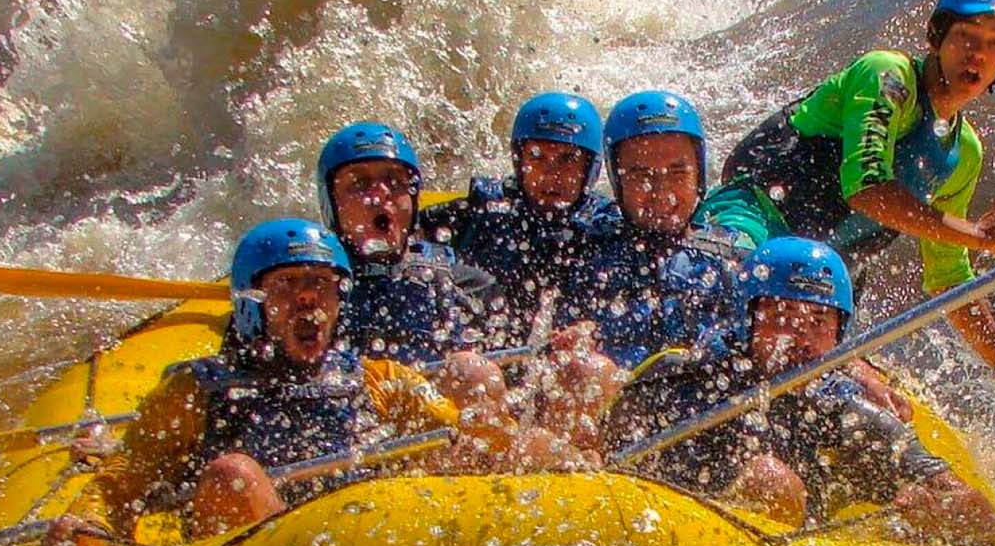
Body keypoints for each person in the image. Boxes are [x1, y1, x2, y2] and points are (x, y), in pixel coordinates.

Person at [708, 0, 995, 403]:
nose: (978, 55)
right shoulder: (888, 76)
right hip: (750, 221)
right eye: (966, 37)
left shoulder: (964, 152)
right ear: (937, 37)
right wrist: (975, 234)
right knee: (731, 314)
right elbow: (865, 187)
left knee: (866, 397)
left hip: (815, 284)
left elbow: (949, 277)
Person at [42, 219, 467, 546]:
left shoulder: (378, 379)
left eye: (321, 284)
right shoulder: (197, 391)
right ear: (252, 301)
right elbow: (122, 481)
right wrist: (86, 527)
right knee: (234, 476)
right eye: (286, 285)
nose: (308, 300)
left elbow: (464, 439)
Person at [603, 236, 995, 546]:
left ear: (839, 335)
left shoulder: (847, 410)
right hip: (664, 531)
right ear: (747, 321)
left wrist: (941, 510)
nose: (801, 340)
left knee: (773, 481)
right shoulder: (682, 378)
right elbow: (599, 453)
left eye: (819, 323)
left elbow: (984, 521)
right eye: (782, 317)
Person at [562, 90, 758, 369]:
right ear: (617, 182)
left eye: (678, 174)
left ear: (698, 176)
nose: (662, 193)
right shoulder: (580, 246)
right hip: (611, 397)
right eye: (642, 175)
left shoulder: (733, 259)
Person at [420, 92, 622, 346]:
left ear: (590, 168)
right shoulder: (483, 209)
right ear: (519, 159)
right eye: (537, 157)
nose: (551, 175)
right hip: (485, 350)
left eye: (568, 159)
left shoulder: (606, 225)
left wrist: (596, 329)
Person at [316, 121, 490, 363]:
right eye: (360, 185)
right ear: (331, 204)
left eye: (395, 182)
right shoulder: (312, 292)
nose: (379, 196)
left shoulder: (465, 286)